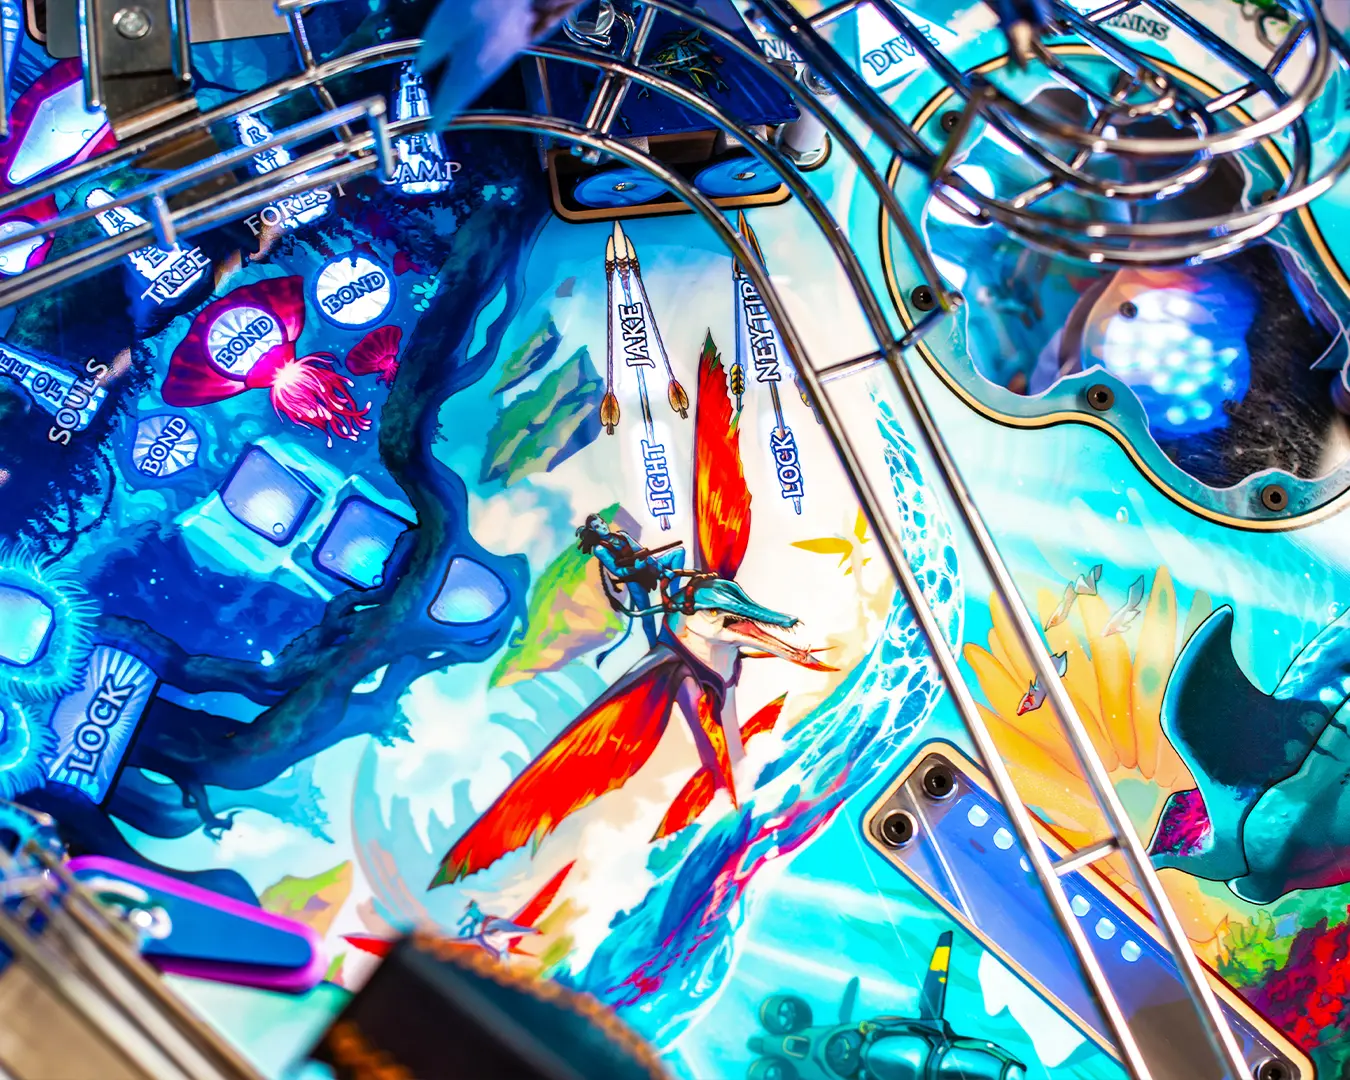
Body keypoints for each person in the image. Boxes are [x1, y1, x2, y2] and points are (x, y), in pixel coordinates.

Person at [575, 513, 684, 651]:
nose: (603, 527)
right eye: (597, 527)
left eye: (602, 522)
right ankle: (653, 646)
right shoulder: (600, 549)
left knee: (678, 553)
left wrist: (661, 570)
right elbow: (617, 571)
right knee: (646, 615)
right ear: (593, 531)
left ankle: (675, 595)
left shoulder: (622, 535)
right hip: (633, 579)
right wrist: (635, 568)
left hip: (647, 567)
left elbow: (643, 553)